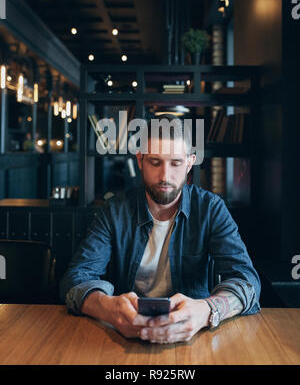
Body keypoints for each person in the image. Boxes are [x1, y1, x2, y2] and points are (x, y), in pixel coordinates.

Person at [60, 114, 260, 344]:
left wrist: (207, 311)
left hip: (194, 338)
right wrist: (107, 308)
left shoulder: (210, 209)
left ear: (189, 162)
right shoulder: (115, 210)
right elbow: (74, 279)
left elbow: (247, 282)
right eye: (155, 162)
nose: (165, 176)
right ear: (140, 161)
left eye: (175, 163)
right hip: (125, 336)